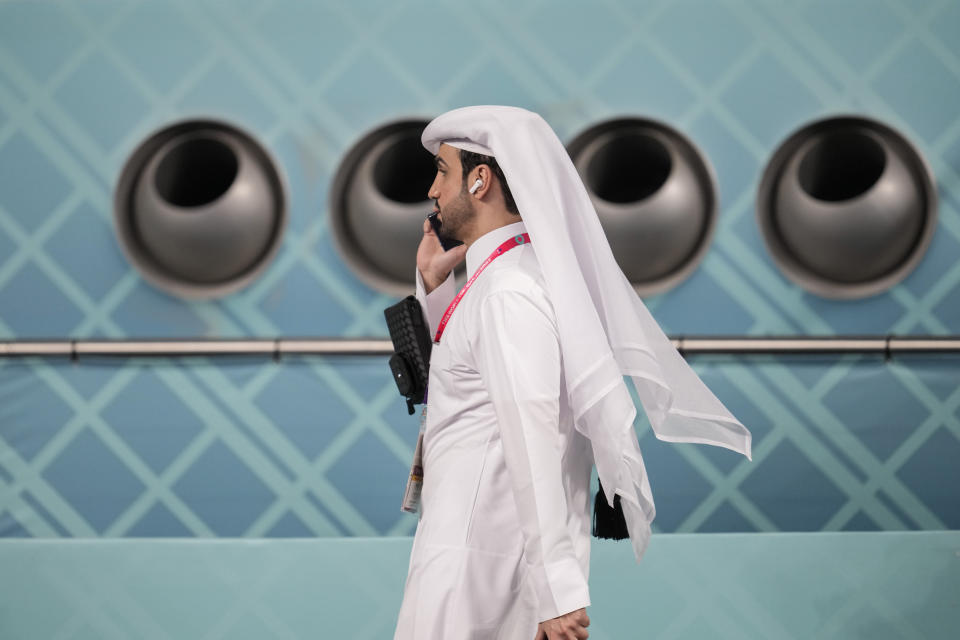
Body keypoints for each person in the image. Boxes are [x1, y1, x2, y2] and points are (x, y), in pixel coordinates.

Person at [393, 106, 752, 640]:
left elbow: (532, 436)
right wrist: (432, 282)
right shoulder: (497, 282)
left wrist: (557, 592)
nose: (432, 188)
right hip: (471, 558)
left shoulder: (508, 292)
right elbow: (462, 388)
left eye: (442, 170)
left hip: (480, 575)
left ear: (480, 178)